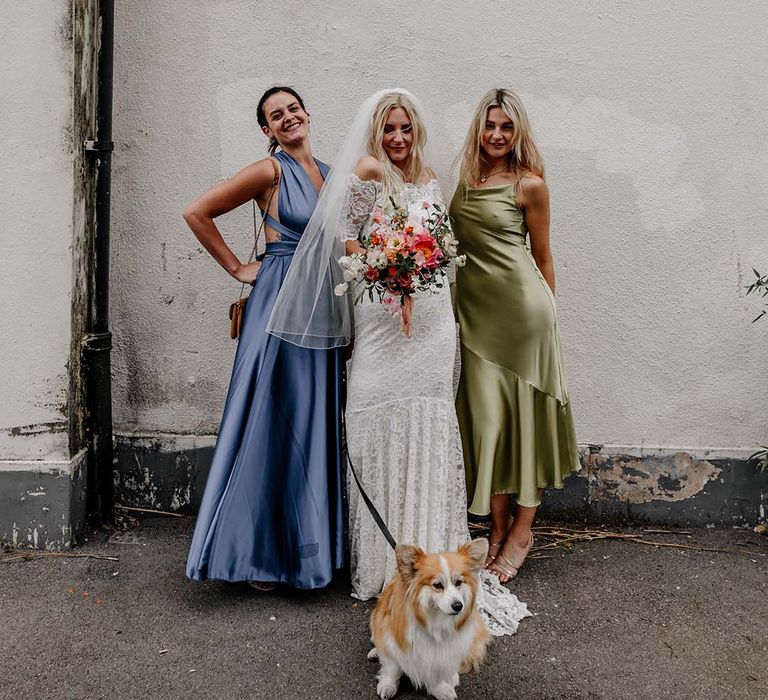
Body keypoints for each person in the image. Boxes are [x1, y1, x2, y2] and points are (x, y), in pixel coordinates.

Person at [184, 86, 345, 590]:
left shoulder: (332, 172)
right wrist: (237, 267)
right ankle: (256, 553)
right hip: (277, 304)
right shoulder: (268, 172)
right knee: (271, 417)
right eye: (277, 115)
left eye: (293, 109)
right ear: (266, 129)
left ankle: (308, 549)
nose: (288, 118)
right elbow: (197, 212)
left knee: (310, 416)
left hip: (320, 306)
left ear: (307, 113)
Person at [450, 88, 580, 583]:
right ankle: (497, 528)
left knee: (522, 423)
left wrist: (548, 317)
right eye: (491, 126)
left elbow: (543, 256)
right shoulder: (464, 180)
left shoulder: (530, 185)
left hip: (524, 319)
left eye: (507, 127)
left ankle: (521, 532)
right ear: (478, 130)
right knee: (488, 426)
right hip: (476, 320)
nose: (498, 135)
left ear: (518, 131)